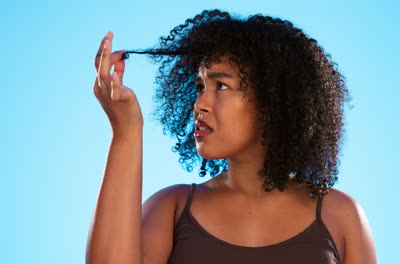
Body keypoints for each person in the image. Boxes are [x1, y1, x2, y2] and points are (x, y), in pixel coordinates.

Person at [86, 9, 377, 264]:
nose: (200, 103)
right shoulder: (172, 208)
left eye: (221, 86)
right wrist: (125, 130)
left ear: (273, 103)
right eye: (200, 87)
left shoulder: (340, 216)